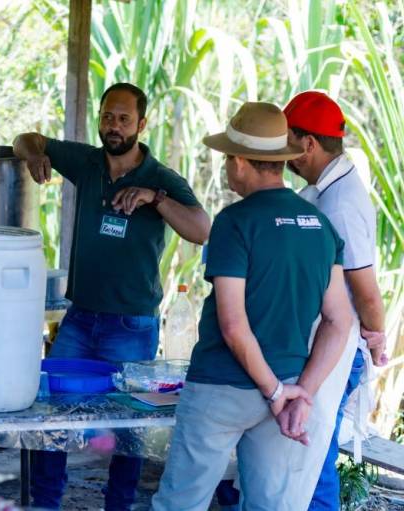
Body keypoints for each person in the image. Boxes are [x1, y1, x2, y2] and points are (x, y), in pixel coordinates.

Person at [13, 82, 210, 510]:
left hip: (130, 324)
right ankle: (45, 501)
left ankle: (117, 504)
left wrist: (154, 199)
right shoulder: (86, 161)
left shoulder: (161, 179)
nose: (113, 126)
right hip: (80, 317)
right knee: (48, 410)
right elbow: (27, 138)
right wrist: (33, 154)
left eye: (123, 119)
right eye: (107, 117)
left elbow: (201, 228)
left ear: (142, 123)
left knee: (128, 428)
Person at [152, 102, 353, 511]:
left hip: (222, 388)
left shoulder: (234, 222)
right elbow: (339, 320)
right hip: (288, 386)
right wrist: (299, 393)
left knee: (181, 503)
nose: (227, 168)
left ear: (240, 161)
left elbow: (233, 325)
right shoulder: (319, 225)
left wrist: (275, 390)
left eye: (227, 158)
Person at [283, 91, 387, 510]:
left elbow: (365, 289)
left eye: (288, 142)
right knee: (309, 448)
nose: (284, 155)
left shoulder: (341, 202)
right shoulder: (325, 187)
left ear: (308, 144)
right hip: (320, 337)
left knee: (316, 450)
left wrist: (376, 336)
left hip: (337, 347)